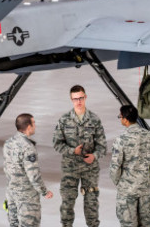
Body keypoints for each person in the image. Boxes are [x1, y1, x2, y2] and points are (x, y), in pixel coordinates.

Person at [52, 85, 107, 227]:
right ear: (71, 100)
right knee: (67, 202)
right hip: (70, 167)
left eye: (81, 98)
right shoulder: (64, 120)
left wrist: (94, 156)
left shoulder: (94, 120)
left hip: (90, 168)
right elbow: (57, 144)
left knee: (92, 203)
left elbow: (102, 146)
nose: (79, 102)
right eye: (75, 99)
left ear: (85, 97)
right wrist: (72, 151)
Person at [3, 113, 53, 227]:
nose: (35, 125)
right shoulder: (28, 147)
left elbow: (7, 167)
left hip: (11, 192)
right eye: (34, 123)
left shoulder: (8, 143)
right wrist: (44, 191)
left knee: (14, 224)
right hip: (27, 196)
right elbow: (33, 175)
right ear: (28, 126)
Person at [109, 105, 150, 227]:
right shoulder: (149, 136)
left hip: (127, 191)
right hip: (144, 189)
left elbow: (115, 167)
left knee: (128, 223)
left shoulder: (121, 139)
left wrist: (120, 183)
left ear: (125, 119)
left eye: (120, 116)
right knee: (144, 223)